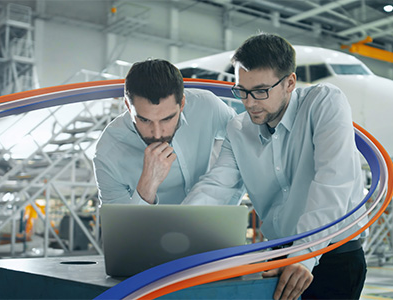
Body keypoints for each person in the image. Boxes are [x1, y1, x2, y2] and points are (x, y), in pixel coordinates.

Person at [183, 33, 367, 300]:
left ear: (290, 82)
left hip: (333, 256)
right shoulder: (238, 128)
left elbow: (332, 183)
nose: (249, 103)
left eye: (260, 91)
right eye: (242, 91)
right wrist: (177, 229)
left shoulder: (324, 103)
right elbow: (216, 187)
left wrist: (304, 255)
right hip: (278, 260)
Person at [93, 59, 240, 206]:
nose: (157, 134)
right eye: (145, 120)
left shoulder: (206, 106)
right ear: (128, 106)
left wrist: (223, 195)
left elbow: (243, 141)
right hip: (152, 229)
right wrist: (147, 187)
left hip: (213, 221)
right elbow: (120, 226)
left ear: (182, 103)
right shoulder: (108, 153)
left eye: (167, 119)